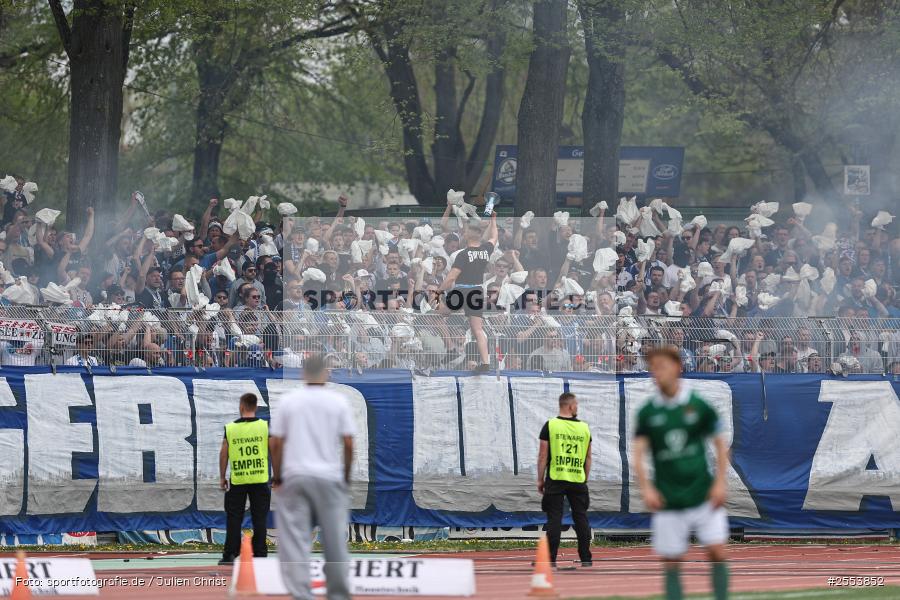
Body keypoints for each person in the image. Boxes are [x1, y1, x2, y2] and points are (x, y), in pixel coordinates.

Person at [633, 345, 730, 600]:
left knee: (718, 552)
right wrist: (647, 488)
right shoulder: (648, 412)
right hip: (669, 498)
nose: (657, 373)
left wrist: (720, 483)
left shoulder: (697, 405)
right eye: (653, 368)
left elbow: (720, 444)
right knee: (671, 561)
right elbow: (638, 453)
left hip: (703, 493)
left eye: (662, 366)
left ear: (677, 368)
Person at [270, 354, 355, 600]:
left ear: (303, 373)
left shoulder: (289, 401)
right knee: (335, 539)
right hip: (329, 476)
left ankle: (302, 595)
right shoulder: (338, 402)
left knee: (295, 540)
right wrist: (345, 476)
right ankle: (338, 594)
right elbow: (348, 443)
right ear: (326, 373)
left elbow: (275, 442)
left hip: (295, 475)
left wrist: (278, 476)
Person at [536, 392, 593, 567]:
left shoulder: (551, 425)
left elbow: (543, 455)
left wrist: (540, 479)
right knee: (581, 518)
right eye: (576, 404)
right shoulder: (584, 428)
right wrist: (584, 478)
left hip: (556, 476)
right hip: (577, 478)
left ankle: (550, 559)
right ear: (569, 406)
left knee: (554, 518)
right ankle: (586, 558)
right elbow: (588, 457)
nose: (577, 407)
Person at [439, 211, 498, 372]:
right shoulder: (486, 250)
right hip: (477, 292)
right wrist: (493, 221)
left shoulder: (463, 255)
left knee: (440, 312)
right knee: (477, 329)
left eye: (464, 233)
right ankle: (485, 362)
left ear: (467, 237)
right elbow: (494, 237)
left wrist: (438, 292)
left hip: (461, 291)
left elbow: (451, 278)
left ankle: (450, 348)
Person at [218, 393, 271, 565]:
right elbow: (274, 450)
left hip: (238, 478)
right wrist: (276, 474)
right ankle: (260, 553)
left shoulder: (230, 428)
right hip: (260, 478)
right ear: (255, 407)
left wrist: (222, 476)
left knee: (234, 517)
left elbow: (224, 454)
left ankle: (230, 554)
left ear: (241, 406)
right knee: (260, 517)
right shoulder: (264, 426)